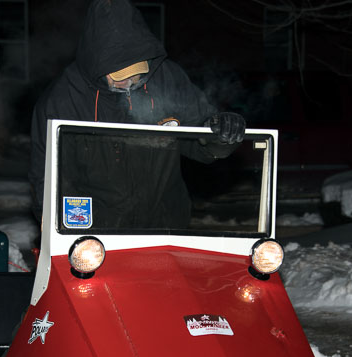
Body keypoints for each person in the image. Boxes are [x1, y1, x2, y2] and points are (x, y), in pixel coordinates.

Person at [28, 0, 245, 224]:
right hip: (97, 233)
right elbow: (47, 177)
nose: (130, 83)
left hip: (165, 225)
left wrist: (221, 134)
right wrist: (57, 228)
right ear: (96, 65)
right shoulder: (65, 99)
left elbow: (200, 137)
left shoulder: (166, 78)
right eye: (121, 76)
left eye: (137, 74)